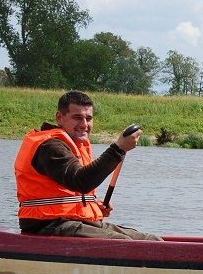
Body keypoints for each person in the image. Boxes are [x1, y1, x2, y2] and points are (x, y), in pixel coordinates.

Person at [14, 90, 162, 240]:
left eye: (88, 118)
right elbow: (80, 181)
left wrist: (90, 204)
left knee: (152, 240)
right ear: (60, 117)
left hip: (72, 221)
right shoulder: (50, 147)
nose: (84, 124)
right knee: (125, 243)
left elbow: (72, 191)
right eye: (77, 118)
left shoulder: (73, 144)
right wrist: (118, 149)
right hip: (46, 225)